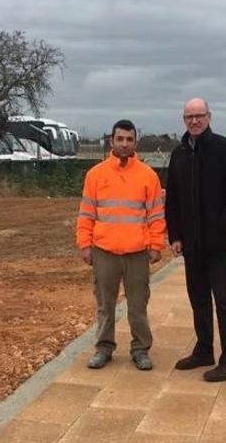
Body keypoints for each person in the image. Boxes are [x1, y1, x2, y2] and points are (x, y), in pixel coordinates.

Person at [165, 98, 226, 382]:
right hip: (192, 245)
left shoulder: (225, 150)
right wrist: (175, 235)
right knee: (198, 299)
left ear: (209, 116)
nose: (194, 121)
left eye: (199, 115)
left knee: (225, 303)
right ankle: (204, 350)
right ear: (184, 120)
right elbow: (174, 200)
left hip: (220, 245)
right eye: (189, 117)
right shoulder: (179, 154)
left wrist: (222, 228)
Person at [76, 119, 166, 371]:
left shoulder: (148, 176)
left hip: (137, 253)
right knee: (105, 304)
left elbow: (156, 215)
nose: (124, 144)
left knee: (138, 306)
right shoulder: (96, 175)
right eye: (120, 139)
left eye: (129, 139)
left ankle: (140, 349)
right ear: (111, 141)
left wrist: (156, 245)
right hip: (104, 252)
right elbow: (86, 214)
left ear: (135, 142)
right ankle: (104, 348)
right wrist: (85, 244)